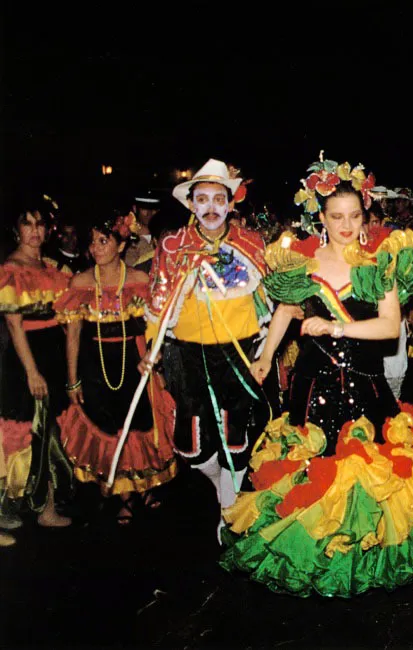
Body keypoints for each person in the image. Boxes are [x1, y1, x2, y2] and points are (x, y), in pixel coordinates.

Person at [220, 155, 413, 597]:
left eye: (354, 215)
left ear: (366, 214)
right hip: (311, 384)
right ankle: (311, 560)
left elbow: (390, 326)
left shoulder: (381, 260)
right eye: (336, 216)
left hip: (364, 384)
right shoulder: (302, 259)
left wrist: (336, 326)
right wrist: (264, 359)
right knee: (309, 472)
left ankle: (358, 561)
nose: (346, 224)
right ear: (321, 217)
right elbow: (285, 310)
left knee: (363, 478)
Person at [140, 159, 278, 538]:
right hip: (186, 354)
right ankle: (224, 488)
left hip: (238, 352)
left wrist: (264, 352)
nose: (211, 207)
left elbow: (269, 302)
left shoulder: (251, 244)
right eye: (202, 199)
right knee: (191, 445)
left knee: (235, 435)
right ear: (191, 205)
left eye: (219, 198)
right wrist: (152, 348)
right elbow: (158, 303)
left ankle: (229, 509)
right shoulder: (173, 245)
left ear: (231, 204)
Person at [56, 214, 177, 525]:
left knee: (136, 426)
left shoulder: (138, 279)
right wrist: (72, 382)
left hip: (132, 362)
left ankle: (139, 487)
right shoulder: (80, 282)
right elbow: (72, 336)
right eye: (93, 241)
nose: (96, 248)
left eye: (103, 241)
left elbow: (154, 328)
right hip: (95, 365)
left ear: (121, 244)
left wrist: (154, 358)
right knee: (108, 427)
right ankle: (125, 496)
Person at [0, 202, 75, 538]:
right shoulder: (12, 269)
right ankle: (5, 509)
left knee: (49, 434)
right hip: (24, 359)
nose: (34, 230)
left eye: (40, 224)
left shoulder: (50, 268)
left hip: (51, 357)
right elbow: (15, 326)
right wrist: (31, 372)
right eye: (27, 223)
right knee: (19, 433)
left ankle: (46, 508)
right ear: (16, 230)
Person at [123, 190, 161, 270]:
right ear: (135, 209)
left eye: (153, 210)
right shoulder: (126, 236)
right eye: (144, 209)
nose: (149, 214)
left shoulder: (163, 235)